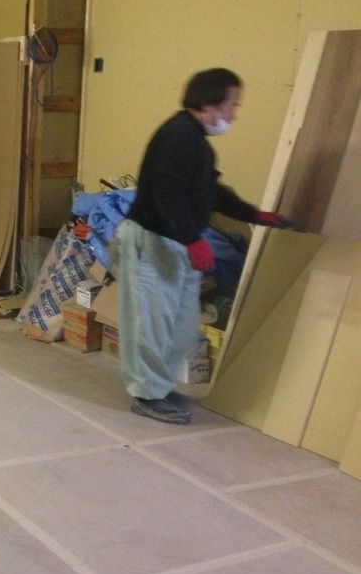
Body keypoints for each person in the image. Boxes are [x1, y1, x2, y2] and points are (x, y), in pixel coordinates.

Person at [112, 68, 292, 424]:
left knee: (181, 327)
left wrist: (255, 215)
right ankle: (146, 395)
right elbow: (166, 192)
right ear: (210, 102)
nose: (233, 115)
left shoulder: (197, 143)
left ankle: (158, 385)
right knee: (152, 325)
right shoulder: (177, 137)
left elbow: (213, 192)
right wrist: (193, 240)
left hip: (176, 243)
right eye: (232, 105)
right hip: (153, 241)